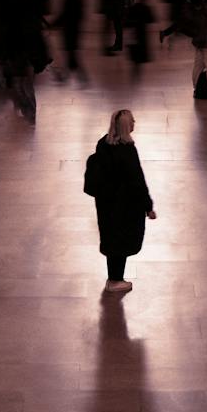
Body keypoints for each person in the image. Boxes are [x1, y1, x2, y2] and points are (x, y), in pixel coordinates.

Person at [86, 109, 155, 293]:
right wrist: (148, 206)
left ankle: (113, 278)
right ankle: (116, 280)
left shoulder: (103, 143)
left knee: (111, 239)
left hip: (106, 203)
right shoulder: (127, 149)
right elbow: (137, 180)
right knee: (123, 241)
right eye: (132, 121)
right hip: (125, 205)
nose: (134, 123)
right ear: (126, 126)